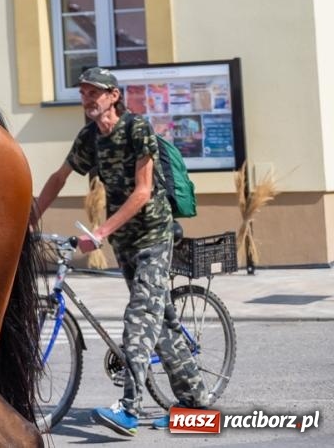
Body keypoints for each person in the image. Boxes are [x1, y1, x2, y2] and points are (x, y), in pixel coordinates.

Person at [34, 68, 209, 435]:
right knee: (161, 323)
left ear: (113, 95)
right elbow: (60, 176)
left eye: (94, 92)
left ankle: (129, 409)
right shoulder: (90, 138)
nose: (87, 98)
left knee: (138, 319)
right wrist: (30, 217)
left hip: (154, 236)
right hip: (125, 242)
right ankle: (196, 409)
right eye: (82, 93)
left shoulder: (136, 129)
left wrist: (100, 231)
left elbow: (143, 192)